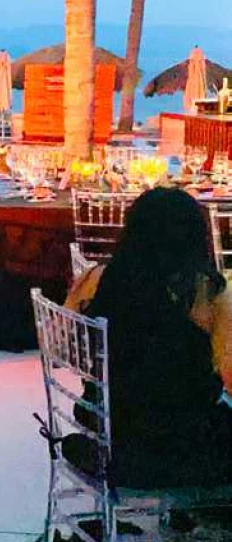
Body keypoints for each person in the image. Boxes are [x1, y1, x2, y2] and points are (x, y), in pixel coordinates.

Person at [64, 187, 232, 489]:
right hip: (180, 435)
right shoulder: (209, 295)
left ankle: (119, 463)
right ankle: (198, 523)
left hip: (108, 419)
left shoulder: (97, 279)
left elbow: (69, 343)